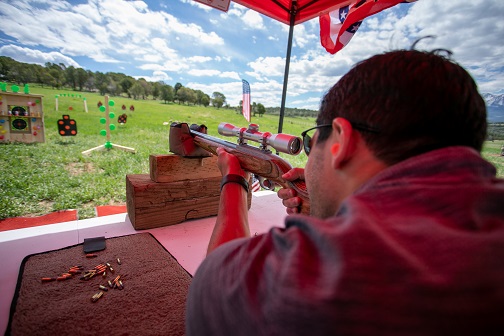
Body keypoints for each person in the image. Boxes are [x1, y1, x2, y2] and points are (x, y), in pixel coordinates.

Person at [185, 49, 504, 335]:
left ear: (340, 141)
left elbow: (211, 290)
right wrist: (335, 208)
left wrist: (233, 181)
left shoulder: (321, 277)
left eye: (311, 144)